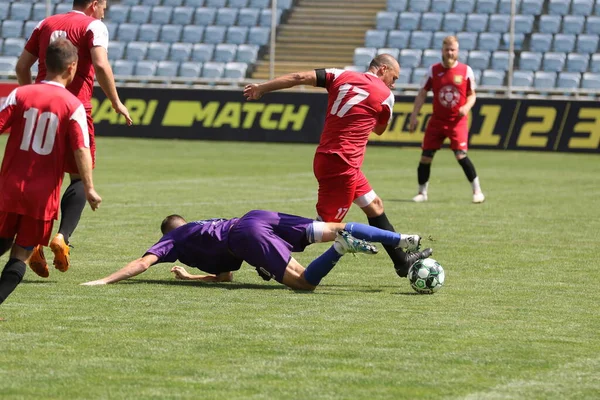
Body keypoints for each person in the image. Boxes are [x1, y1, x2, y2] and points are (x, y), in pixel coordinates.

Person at [243, 54, 432, 279]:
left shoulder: (340, 74)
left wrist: (262, 88)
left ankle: (401, 262)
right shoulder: (386, 96)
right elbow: (379, 130)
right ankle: (265, 257)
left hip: (327, 157)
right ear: (382, 69)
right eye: (394, 77)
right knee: (325, 228)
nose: (394, 83)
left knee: (375, 205)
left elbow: (299, 76)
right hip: (343, 166)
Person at [15, 0, 132, 277]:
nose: (105, 11)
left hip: (41, 111)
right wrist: (116, 102)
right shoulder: (94, 25)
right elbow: (101, 65)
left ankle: (31, 243)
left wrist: (32, 96)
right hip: (74, 108)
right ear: (94, 5)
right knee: (80, 177)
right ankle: (62, 237)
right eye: (103, 5)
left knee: (42, 177)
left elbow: (22, 67)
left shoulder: (45, 23)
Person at [81, 210, 428, 291]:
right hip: (256, 216)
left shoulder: (177, 237)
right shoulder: (200, 231)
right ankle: (399, 239)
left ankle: (340, 250)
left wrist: (106, 280)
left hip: (245, 236)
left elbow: (143, 263)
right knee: (335, 223)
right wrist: (190, 276)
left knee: (303, 282)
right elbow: (226, 276)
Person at [0, 38, 101, 305]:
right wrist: (89, 187)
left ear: (44, 64)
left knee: (1, 241)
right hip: (42, 196)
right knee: (21, 253)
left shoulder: (20, 94)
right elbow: (81, 149)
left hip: (8, 188)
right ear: (72, 68)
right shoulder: (72, 105)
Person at [409, 35, 485, 204]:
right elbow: (422, 93)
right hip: (437, 121)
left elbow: (472, 95)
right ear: (442, 51)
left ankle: (477, 190)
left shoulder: (466, 71)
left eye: (453, 50)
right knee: (425, 157)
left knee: (460, 155)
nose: (450, 53)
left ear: (457, 51)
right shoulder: (433, 70)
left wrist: (466, 107)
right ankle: (422, 193)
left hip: (457, 122)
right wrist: (414, 116)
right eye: (447, 50)